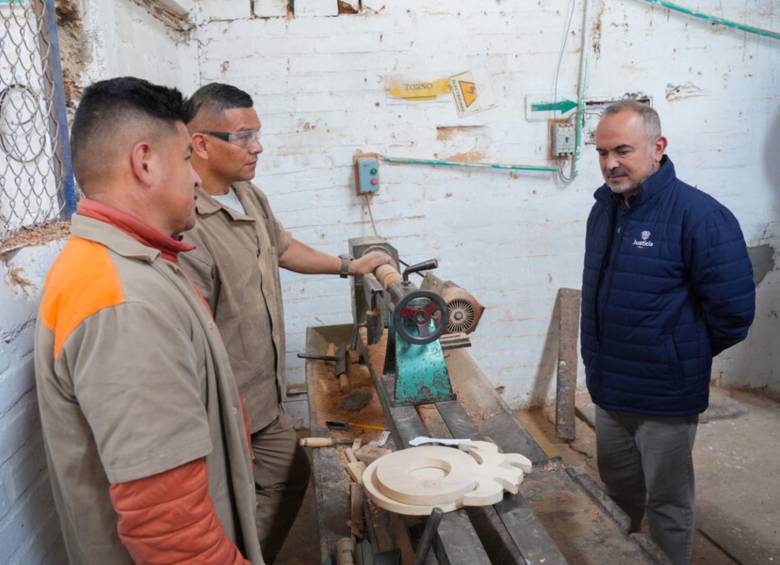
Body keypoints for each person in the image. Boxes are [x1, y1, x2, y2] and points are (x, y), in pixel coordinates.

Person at [34, 77, 262, 564]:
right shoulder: (122, 301)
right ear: (144, 162)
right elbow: (170, 533)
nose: (197, 179)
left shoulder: (127, 264)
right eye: (185, 160)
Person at [179, 83, 393, 562]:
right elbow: (188, 332)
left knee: (290, 474)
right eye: (244, 137)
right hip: (222, 410)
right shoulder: (187, 218)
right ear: (201, 144)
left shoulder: (248, 195)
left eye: (258, 135)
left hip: (264, 396)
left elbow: (284, 249)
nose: (257, 147)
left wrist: (347, 265)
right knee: (222, 510)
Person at [580, 100, 755, 564]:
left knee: (667, 504)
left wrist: (678, 352)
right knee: (616, 495)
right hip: (610, 390)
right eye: (601, 152)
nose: (610, 163)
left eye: (622, 150)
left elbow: (733, 314)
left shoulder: (701, 216)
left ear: (658, 147)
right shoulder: (605, 212)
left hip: (665, 398)